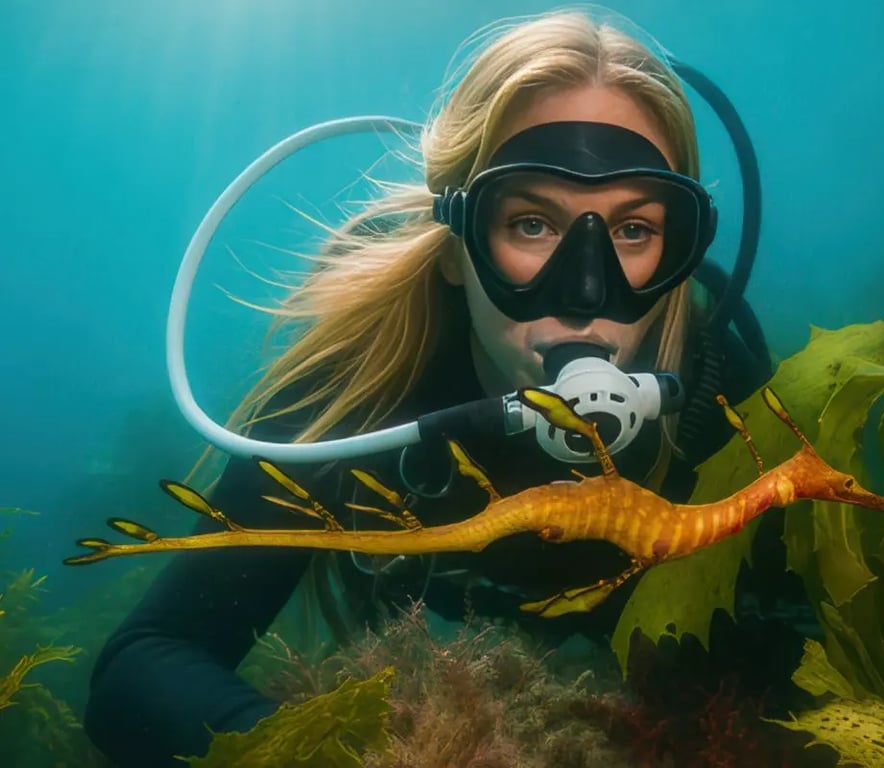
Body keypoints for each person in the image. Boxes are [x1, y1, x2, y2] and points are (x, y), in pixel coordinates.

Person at [84, 9, 802, 767]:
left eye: (634, 230)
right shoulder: (362, 387)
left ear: (679, 248)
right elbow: (142, 666)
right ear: (457, 246)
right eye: (531, 223)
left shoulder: (724, 403)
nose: (586, 294)